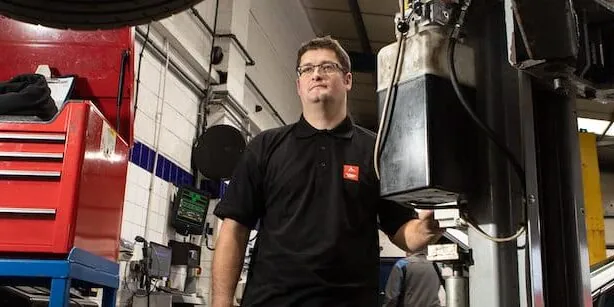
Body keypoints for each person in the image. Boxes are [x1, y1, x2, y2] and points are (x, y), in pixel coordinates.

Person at [211, 36, 442, 307]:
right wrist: (221, 302)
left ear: (348, 80)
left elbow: (402, 231)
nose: (316, 74)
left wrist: (426, 228)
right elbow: (234, 229)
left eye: (327, 67)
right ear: (298, 85)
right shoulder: (265, 146)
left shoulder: (376, 151)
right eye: (307, 69)